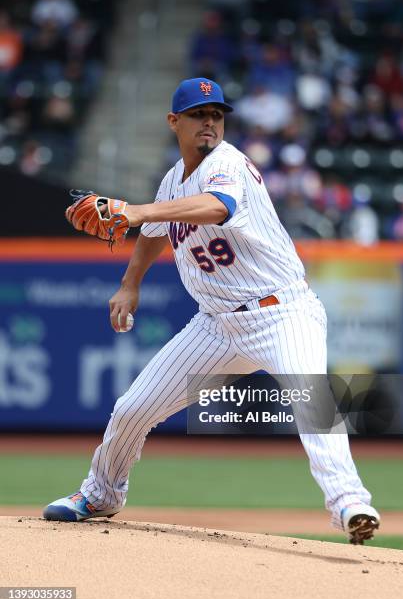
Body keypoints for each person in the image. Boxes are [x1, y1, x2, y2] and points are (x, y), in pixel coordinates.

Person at [43, 77, 380, 544]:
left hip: (283, 312)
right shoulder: (171, 179)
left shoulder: (228, 164)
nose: (209, 123)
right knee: (133, 408)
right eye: (199, 114)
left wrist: (137, 210)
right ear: (173, 122)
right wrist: (129, 284)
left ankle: (350, 503)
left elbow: (217, 206)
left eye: (216, 115)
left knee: (312, 400)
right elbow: (155, 233)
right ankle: (101, 494)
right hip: (217, 325)